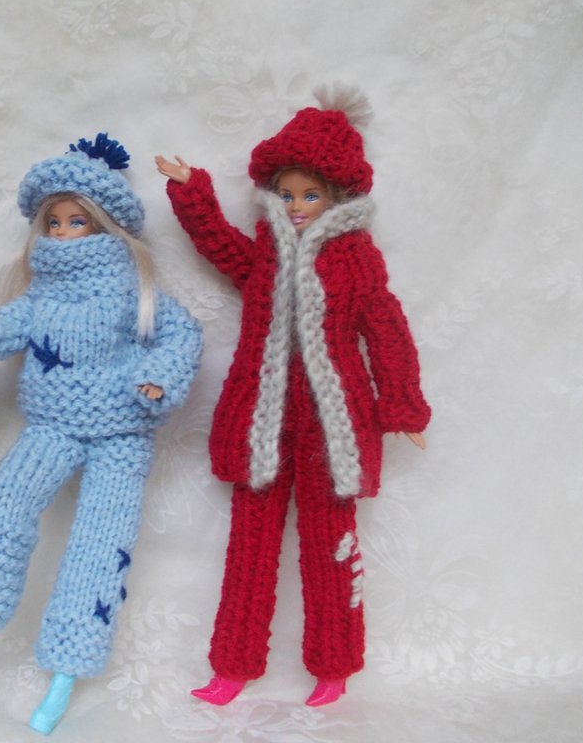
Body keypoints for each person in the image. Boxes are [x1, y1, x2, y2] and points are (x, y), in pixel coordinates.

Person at [0, 134, 202, 734]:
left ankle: (67, 667)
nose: (64, 233)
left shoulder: (132, 291)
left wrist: (156, 379)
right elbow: (4, 327)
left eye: (77, 221)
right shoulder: (39, 294)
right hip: (52, 426)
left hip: (122, 432)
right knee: (6, 502)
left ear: (106, 226)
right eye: (54, 222)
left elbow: (183, 335)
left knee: (100, 544)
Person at [155, 85, 430, 708]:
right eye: (287, 193)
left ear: (338, 197)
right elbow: (219, 244)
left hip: (334, 431)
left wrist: (402, 406)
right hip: (262, 423)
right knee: (248, 549)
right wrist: (192, 192)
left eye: (311, 194)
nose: (298, 205)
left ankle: (334, 666)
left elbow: (385, 327)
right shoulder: (266, 258)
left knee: (331, 544)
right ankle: (233, 666)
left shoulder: (357, 262)